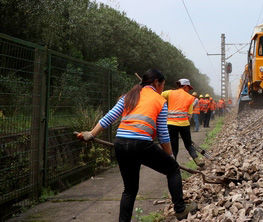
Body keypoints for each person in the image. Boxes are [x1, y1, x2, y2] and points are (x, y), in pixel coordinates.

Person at [79, 69, 195, 221]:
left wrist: (91, 133)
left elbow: (110, 116)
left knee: (129, 190)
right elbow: (163, 135)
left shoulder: (129, 95)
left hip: (120, 144)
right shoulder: (159, 100)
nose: (162, 89)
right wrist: (171, 156)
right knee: (173, 169)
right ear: (156, 83)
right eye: (162, 85)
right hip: (141, 144)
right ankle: (180, 210)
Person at [161, 79, 204, 166]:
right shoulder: (190, 98)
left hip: (171, 124)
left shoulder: (169, 93)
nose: (189, 90)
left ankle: (173, 164)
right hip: (184, 124)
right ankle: (197, 159)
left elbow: (158, 96)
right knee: (188, 144)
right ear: (185, 86)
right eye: (189, 88)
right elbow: (189, 115)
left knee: (174, 146)